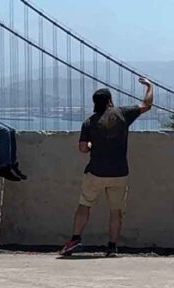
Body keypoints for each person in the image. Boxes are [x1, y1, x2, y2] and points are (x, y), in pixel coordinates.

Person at [60, 78, 153, 257]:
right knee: (116, 211)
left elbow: (82, 148)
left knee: (84, 206)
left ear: (95, 103)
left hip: (96, 172)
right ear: (110, 100)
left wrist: (91, 146)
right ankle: (111, 247)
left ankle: (75, 238)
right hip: (119, 173)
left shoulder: (89, 122)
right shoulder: (123, 113)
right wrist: (149, 86)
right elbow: (147, 104)